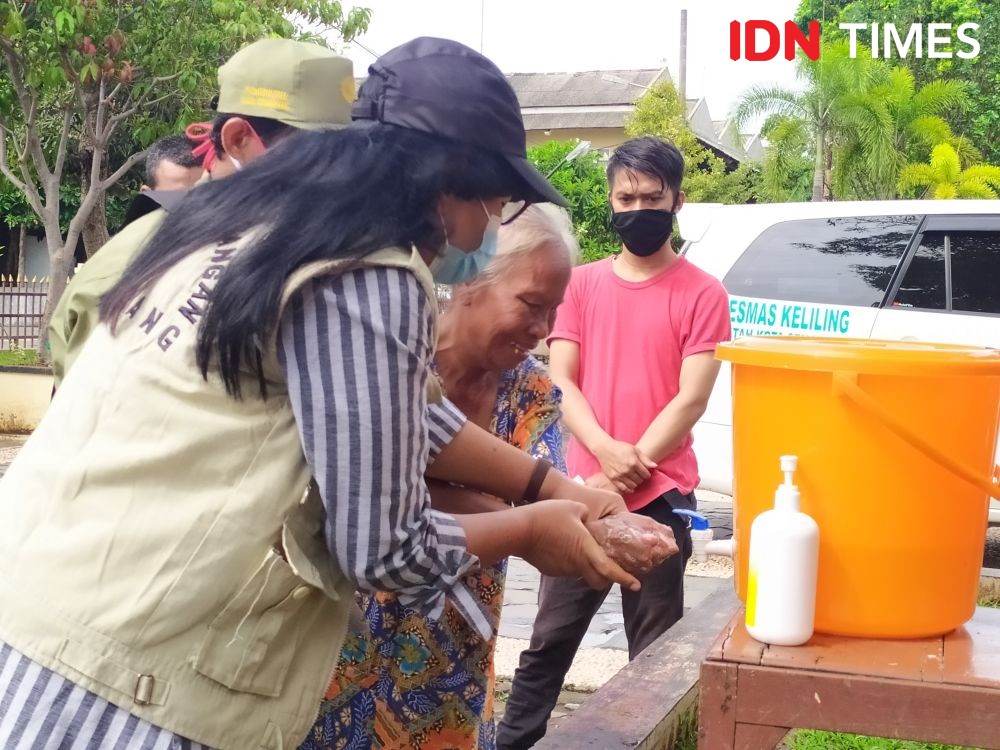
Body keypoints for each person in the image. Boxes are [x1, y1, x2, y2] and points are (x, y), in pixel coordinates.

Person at [0, 37, 636, 750]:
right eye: (495, 199)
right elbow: (386, 552)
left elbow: (392, 415)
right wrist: (531, 528)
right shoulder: (372, 269)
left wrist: (556, 487)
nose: (491, 223)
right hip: (128, 684)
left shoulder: (241, 223)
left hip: (39, 615)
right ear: (450, 178)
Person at [302, 205, 677, 750]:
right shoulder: (389, 359)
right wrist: (544, 520)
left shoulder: (533, 395)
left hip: (450, 662)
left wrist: (568, 513)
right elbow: (378, 488)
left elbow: (510, 493)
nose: (542, 330)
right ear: (472, 278)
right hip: (338, 645)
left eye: (553, 312)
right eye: (530, 304)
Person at [497, 136, 733, 750]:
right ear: (610, 199)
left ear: (678, 200)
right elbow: (560, 378)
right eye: (625, 196)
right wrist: (603, 452)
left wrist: (632, 467)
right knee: (547, 644)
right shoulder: (580, 284)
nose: (637, 208)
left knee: (655, 659)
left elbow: (691, 398)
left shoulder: (704, 293)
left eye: (652, 197)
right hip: (581, 495)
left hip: (660, 499)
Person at [47, 36, 356, 388]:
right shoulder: (138, 259)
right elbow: (97, 412)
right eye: (318, 154)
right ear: (237, 138)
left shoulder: (284, 247)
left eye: (346, 153)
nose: (337, 173)